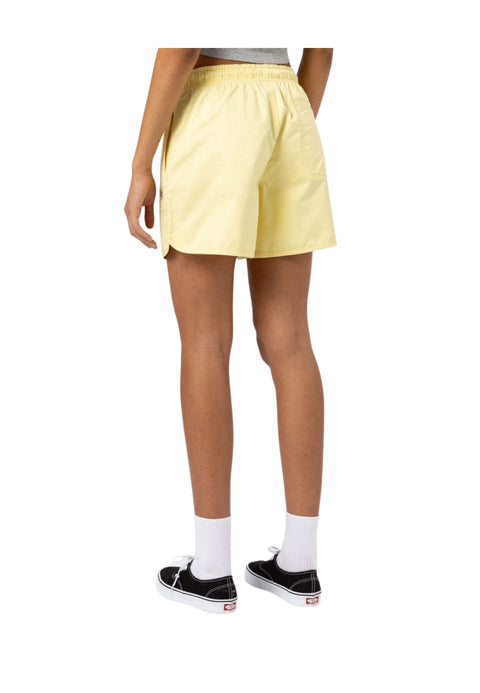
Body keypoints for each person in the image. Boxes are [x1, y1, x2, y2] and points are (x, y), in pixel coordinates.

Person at [124, 48, 336, 614]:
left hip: (215, 105)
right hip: (289, 102)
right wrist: (286, 125)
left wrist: (141, 163)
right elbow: (323, 46)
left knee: (205, 344)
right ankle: (299, 562)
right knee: (291, 344)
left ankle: (212, 570)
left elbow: (183, 45)